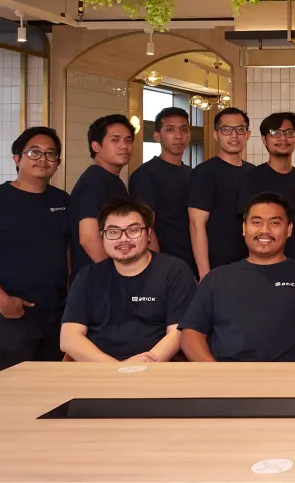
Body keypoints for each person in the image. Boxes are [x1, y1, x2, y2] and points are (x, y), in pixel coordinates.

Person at [179, 192, 295, 362]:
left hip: (290, 375)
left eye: (275, 223)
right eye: (256, 222)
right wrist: (215, 372)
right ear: (244, 228)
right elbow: (190, 334)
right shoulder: (216, 278)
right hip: (228, 373)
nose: (265, 230)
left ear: (289, 229)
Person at [60, 198, 197, 362]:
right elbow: (69, 338)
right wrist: (117, 368)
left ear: (149, 234)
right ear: (102, 236)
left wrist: (142, 365)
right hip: (100, 368)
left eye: (133, 230)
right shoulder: (87, 277)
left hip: (156, 367)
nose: (123, 239)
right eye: (113, 232)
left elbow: (177, 333)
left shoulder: (175, 271)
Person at [0, 127, 70, 374]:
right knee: (11, 387)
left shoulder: (63, 201)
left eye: (50, 154)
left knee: (53, 385)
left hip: (57, 313)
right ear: (16, 159)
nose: (43, 159)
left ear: (57, 163)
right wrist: (2, 302)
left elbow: (68, 252)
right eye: (34, 152)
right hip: (11, 315)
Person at [237, 112, 295, 263]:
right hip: (261, 265)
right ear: (264, 140)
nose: (283, 138)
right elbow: (246, 227)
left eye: (289, 133)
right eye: (275, 133)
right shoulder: (251, 179)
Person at [187, 107, 254, 280]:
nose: (234, 135)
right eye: (226, 129)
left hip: (251, 264)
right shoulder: (204, 173)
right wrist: (204, 274)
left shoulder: (254, 173)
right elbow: (196, 224)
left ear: (248, 134)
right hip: (217, 267)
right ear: (216, 135)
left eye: (240, 129)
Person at [128, 107, 194, 273]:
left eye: (184, 129)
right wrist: (158, 268)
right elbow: (146, 227)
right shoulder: (145, 175)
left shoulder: (192, 173)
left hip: (192, 262)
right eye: (170, 130)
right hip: (165, 264)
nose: (178, 136)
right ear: (157, 136)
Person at [68, 114, 134, 278]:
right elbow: (88, 238)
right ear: (96, 146)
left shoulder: (112, 180)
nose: (124, 146)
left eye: (128, 140)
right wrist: (118, 275)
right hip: (96, 279)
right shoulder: (95, 181)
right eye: (115, 140)